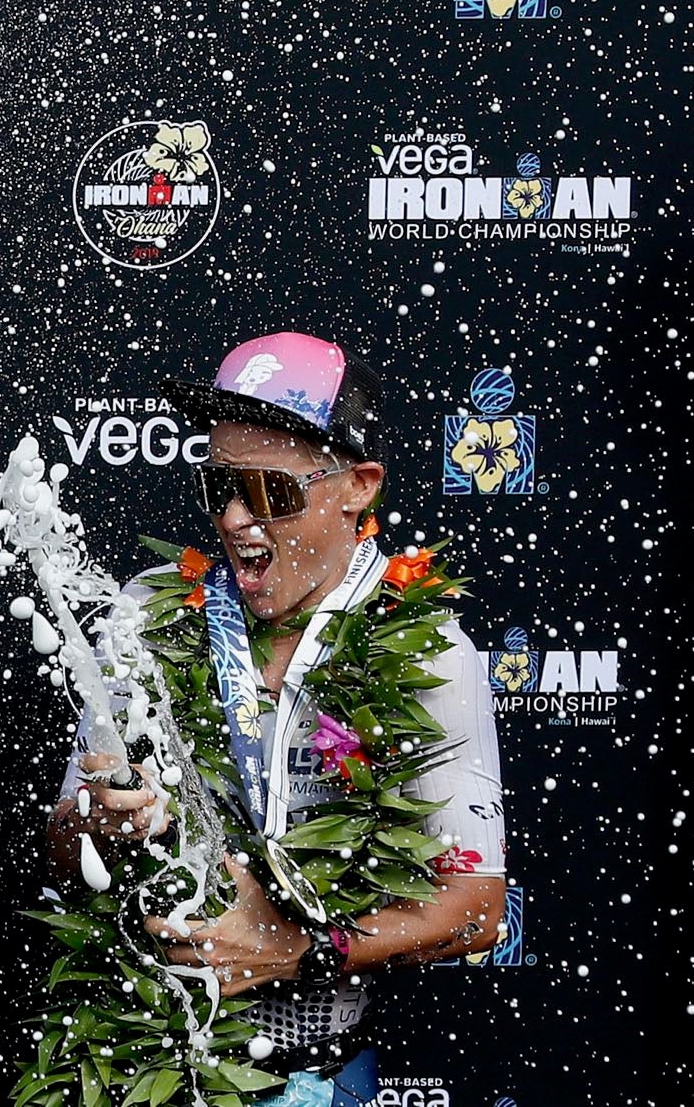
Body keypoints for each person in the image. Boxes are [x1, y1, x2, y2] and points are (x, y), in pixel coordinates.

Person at [45, 332, 507, 1107]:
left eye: (272, 492)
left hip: (319, 1081)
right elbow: (61, 848)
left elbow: (476, 911)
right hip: (141, 1065)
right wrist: (95, 821)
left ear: (357, 486)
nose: (234, 519)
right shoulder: (145, 612)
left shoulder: (430, 652)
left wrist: (296, 949)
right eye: (219, 484)